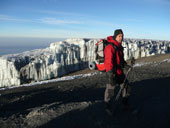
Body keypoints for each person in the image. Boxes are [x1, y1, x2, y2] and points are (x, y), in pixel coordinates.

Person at [104, 29, 131, 115]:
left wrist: (126, 66)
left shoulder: (119, 47)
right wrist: (111, 76)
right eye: (119, 36)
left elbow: (121, 61)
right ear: (115, 36)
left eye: (122, 36)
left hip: (119, 72)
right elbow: (108, 63)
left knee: (126, 87)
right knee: (110, 90)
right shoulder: (110, 47)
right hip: (112, 73)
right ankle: (107, 106)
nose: (121, 38)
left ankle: (125, 104)